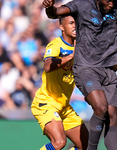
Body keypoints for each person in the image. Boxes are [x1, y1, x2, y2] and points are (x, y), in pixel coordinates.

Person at [42, 0, 117, 149]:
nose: (110, 3)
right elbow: (55, 13)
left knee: (112, 115)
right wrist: (49, 7)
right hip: (86, 68)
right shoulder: (81, 5)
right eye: (107, 0)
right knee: (101, 107)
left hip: (108, 70)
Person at [31, 16, 89, 150]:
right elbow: (47, 66)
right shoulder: (56, 45)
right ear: (62, 27)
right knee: (59, 142)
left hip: (64, 107)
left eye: (77, 23)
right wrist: (70, 57)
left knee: (85, 146)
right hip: (47, 102)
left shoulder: (82, 47)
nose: (75, 26)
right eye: (71, 23)